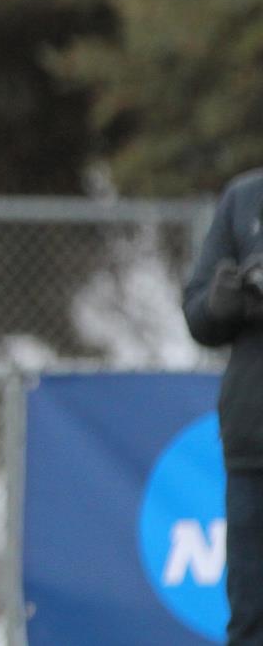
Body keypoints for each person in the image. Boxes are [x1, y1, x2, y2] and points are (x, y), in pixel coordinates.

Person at [183, 168, 263, 645]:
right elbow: (197, 314)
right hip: (253, 444)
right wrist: (223, 303)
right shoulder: (245, 198)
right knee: (251, 617)